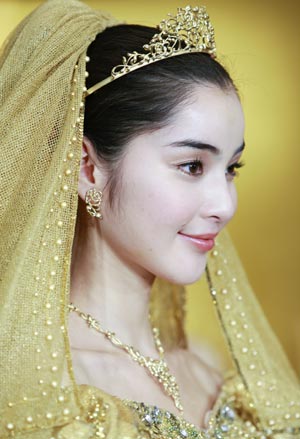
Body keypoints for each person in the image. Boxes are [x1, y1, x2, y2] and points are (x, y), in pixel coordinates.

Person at [0, 0, 299, 438]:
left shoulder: (215, 373)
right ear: (87, 168)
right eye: (192, 165)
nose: (226, 205)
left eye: (232, 169)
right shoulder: (35, 392)